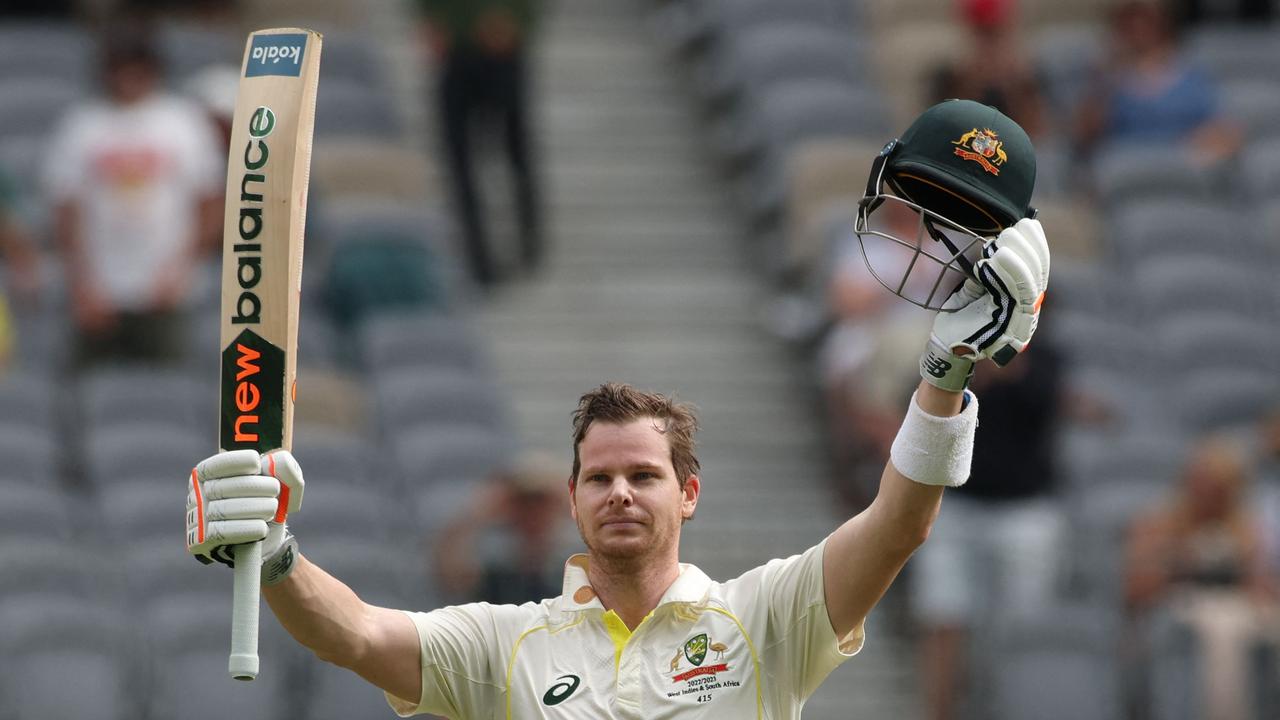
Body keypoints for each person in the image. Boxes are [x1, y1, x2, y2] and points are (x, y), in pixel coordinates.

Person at [183, 100, 1050, 717]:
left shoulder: (764, 620)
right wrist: (281, 555)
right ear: (572, 499)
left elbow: (899, 525)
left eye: (644, 474)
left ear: (691, 494)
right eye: (600, 477)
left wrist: (944, 371)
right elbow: (360, 638)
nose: (622, 492)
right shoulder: (506, 643)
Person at [42, 23, 223, 369]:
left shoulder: (183, 123)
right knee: (93, 391)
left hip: (167, 290)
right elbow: (65, 209)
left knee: (168, 392)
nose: (128, 78)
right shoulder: (82, 125)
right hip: (99, 292)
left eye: (136, 68)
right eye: (120, 68)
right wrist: (81, 282)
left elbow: (211, 203)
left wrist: (184, 269)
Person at [911, 333, 1065, 720]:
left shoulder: (1047, 354)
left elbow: (1041, 404)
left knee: (1020, 630)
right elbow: (925, 408)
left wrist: (1001, 368)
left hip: (1023, 508)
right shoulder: (950, 348)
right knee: (943, 618)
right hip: (956, 502)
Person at [1125, 434, 1278, 720]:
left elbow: (1262, 586)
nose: (1205, 492)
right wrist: (1180, 562)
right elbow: (1136, 591)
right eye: (1199, 482)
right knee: (1224, 628)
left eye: (1216, 487)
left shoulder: (1246, 528)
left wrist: (1244, 572)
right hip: (1177, 610)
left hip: (1241, 607)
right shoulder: (1158, 523)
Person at [416, 0, 544, 287]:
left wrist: (518, 21)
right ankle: (479, 259)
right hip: (458, 50)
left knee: (517, 153)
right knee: (460, 163)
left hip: (504, 49)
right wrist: (432, 20)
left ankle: (529, 241)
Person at [1073, 0, 1240, 163]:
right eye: (1129, 25)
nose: (1139, 30)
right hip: (1125, 163)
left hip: (1181, 163)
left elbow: (1221, 128)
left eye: (1146, 22)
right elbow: (1084, 137)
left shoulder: (1193, 75)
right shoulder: (1106, 77)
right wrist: (1104, 83)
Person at [433, 452, 568, 605]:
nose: (532, 513)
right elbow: (450, 575)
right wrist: (478, 513)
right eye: (523, 504)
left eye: (541, 504)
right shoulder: (495, 571)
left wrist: (579, 508)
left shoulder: (575, 565)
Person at [930, 0, 1047, 139]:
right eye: (982, 33)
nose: (988, 44)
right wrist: (971, 84)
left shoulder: (1026, 76)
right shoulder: (951, 76)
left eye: (994, 33)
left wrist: (1012, 87)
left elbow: (1038, 136)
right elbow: (942, 133)